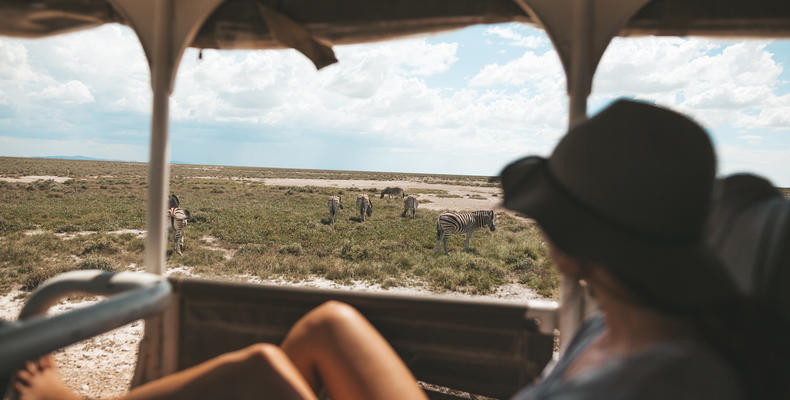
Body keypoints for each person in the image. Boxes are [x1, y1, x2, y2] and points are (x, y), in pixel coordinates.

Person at [13, 100, 756, 399]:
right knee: (322, 328)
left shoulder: (665, 380)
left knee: (262, 374)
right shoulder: (623, 323)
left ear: (580, 246)